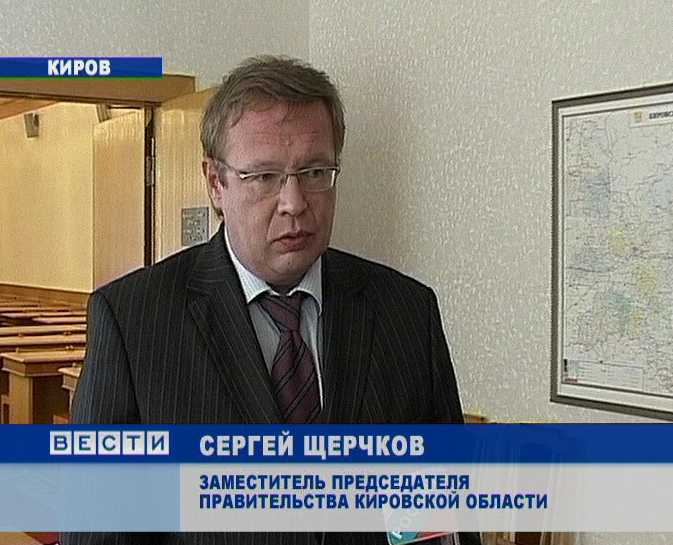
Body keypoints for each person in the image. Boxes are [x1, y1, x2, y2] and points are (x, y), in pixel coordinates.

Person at [64, 55, 480, 545]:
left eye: (315, 172)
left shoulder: (407, 311)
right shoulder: (133, 322)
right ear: (215, 183)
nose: (295, 203)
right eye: (264, 177)